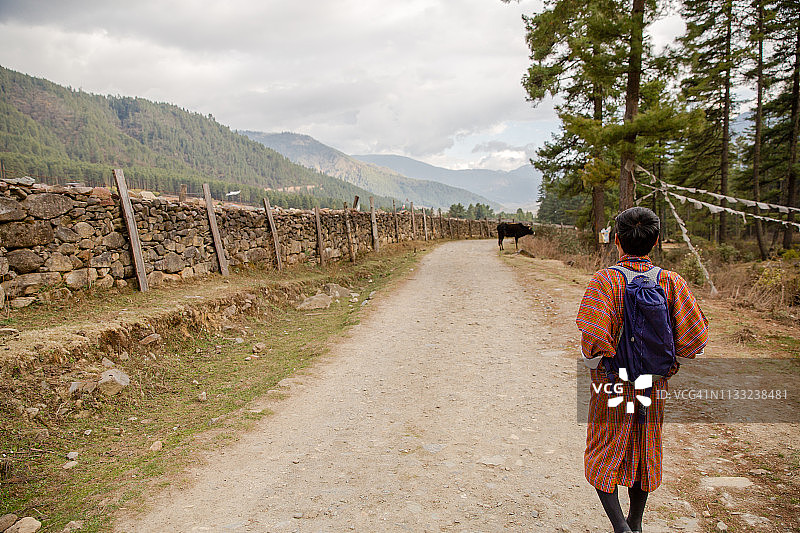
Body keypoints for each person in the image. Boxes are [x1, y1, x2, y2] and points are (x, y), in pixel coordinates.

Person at [576, 207, 708, 533]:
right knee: (644, 446)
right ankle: (635, 523)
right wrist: (669, 365)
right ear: (657, 241)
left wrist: (606, 364)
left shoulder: (604, 281)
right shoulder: (671, 282)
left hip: (612, 383)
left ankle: (621, 528)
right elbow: (695, 340)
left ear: (616, 240)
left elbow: (591, 341)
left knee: (604, 449)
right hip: (653, 385)